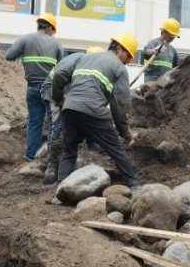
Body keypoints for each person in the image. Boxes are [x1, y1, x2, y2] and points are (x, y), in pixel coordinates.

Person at [52, 33, 140, 190]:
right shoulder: (118, 67)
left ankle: (60, 188)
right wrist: (124, 132)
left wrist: (59, 99)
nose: (127, 61)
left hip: (71, 107)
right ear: (119, 49)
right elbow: (119, 105)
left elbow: (59, 73)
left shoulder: (85, 58)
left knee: (69, 148)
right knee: (116, 149)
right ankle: (134, 186)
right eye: (128, 56)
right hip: (93, 110)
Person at [39, 45, 105, 183]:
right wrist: (59, 99)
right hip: (52, 92)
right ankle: (51, 166)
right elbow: (59, 77)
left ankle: (94, 150)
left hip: (68, 96)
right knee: (57, 126)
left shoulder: (91, 69)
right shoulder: (79, 62)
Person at [5, 13, 65, 162]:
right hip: (50, 89)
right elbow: (62, 68)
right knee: (54, 125)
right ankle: (51, 159)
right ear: (50, 28)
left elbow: (9, 56)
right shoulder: (56, 44)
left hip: (32, 88)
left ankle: (31, 158)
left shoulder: (25, 39)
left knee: (34, 123)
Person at [140, 18, 181, 83]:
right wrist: (153, 51)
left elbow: (177, 67)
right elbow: (145, 54)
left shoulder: (172, 50)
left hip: (164, 84)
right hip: (151, 83)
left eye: (174, 36)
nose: (173, 38)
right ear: (163, 32)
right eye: (171, 35)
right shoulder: (152, 43)